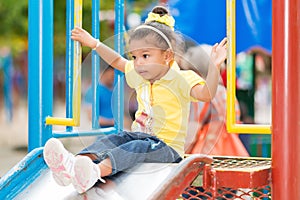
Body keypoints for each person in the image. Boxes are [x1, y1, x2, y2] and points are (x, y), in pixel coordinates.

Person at [43, 5, 227, 194]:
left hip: (167, 149)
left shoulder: (182, 78)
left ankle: (96, 171)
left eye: (145, 56)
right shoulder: (141, 74)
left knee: (137, 146)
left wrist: (214, 66)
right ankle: (73, 165)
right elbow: (117, 62)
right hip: (141, 136)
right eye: (135, 56)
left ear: (167, 56)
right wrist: (94, 43)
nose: (138, 62)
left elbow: (206, 94)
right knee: (117, 137)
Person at [181, 44, 249, 156]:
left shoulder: (200, 93)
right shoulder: (226, 93)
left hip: (206, 156)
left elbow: (192, 132)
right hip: (231, 154)